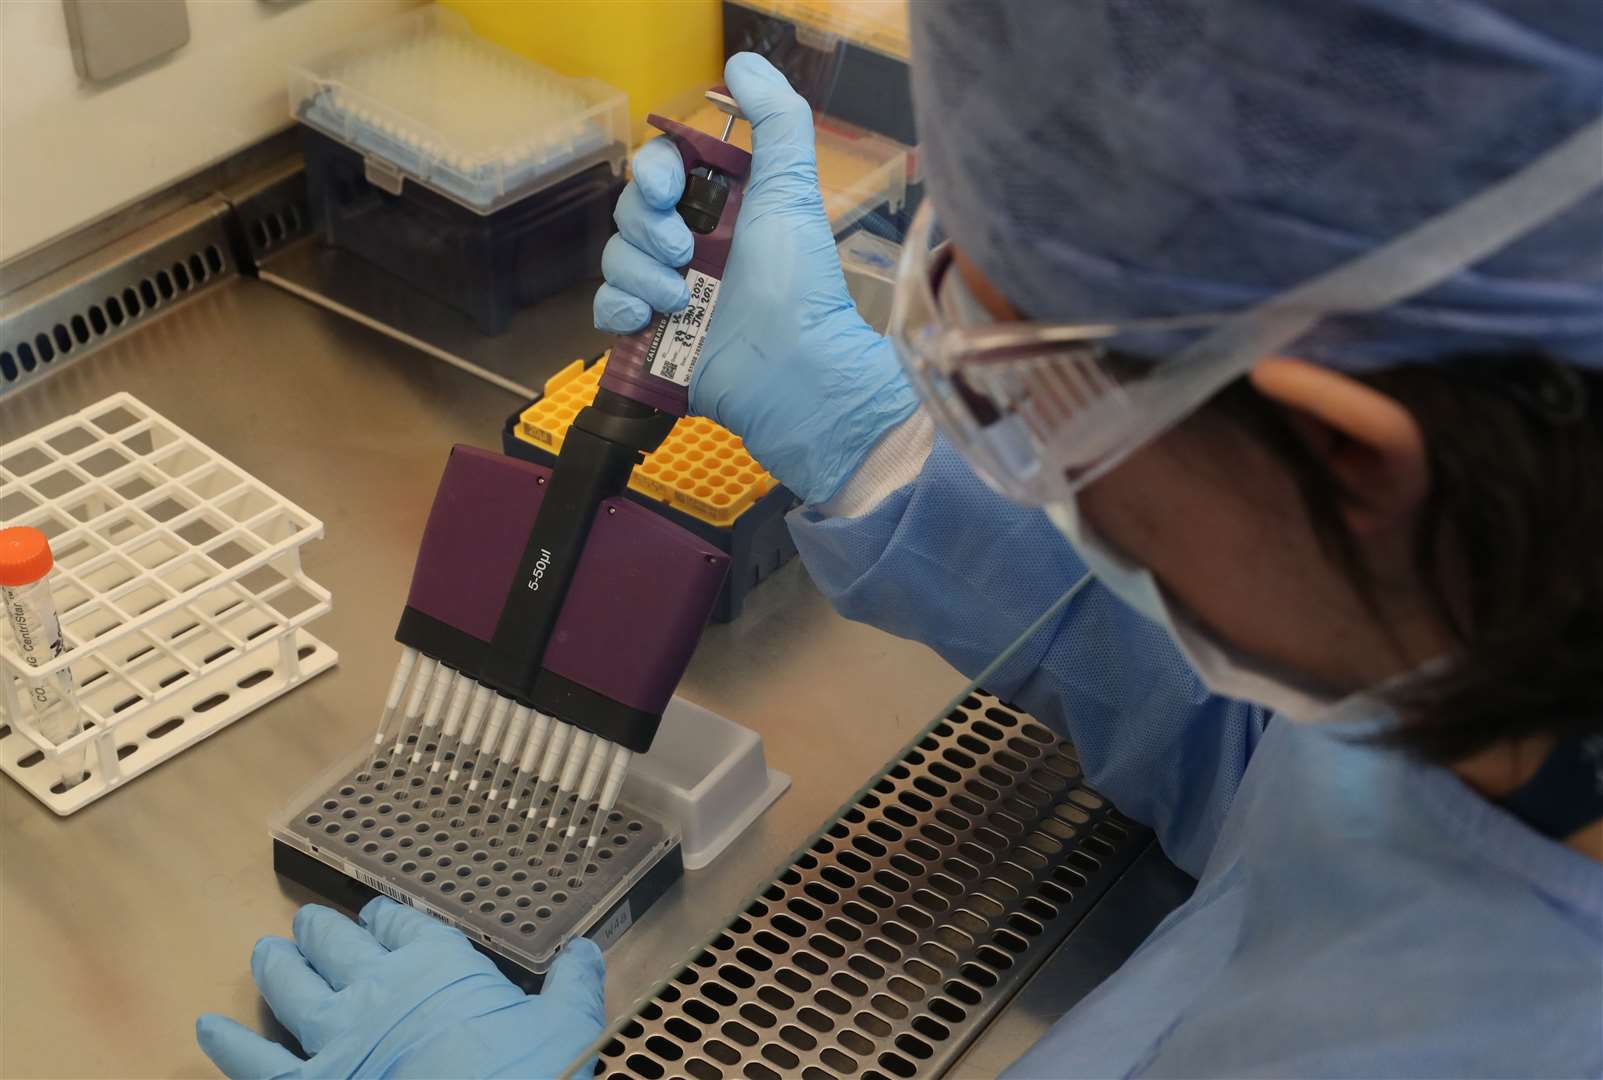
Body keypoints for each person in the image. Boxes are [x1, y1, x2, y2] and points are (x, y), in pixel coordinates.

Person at [198, 2, 1603, 1076]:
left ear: (1352, 456)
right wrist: (868, 441)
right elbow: (1291, 775)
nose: (970, 384)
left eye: (1026, 376)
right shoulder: (1501, 656)